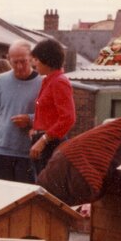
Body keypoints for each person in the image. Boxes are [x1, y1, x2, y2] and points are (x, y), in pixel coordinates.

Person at [0, 40, 42, 184]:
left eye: (23, 61)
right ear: (9, 59)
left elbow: (49, 115)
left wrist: (30, 119)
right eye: (15, 62)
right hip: (0, 151)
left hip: (28, 154)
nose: (19, 66)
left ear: (31, 58)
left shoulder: (42, 82)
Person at [29, 37, 76, 174]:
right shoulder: (48, 81)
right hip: (43, 141)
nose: (34, 63)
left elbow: (68, 118)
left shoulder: (59, 82)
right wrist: (35, 130)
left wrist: (43, 139)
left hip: (51, 144)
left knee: (46, 184)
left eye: (37, 59)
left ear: (47, 60)